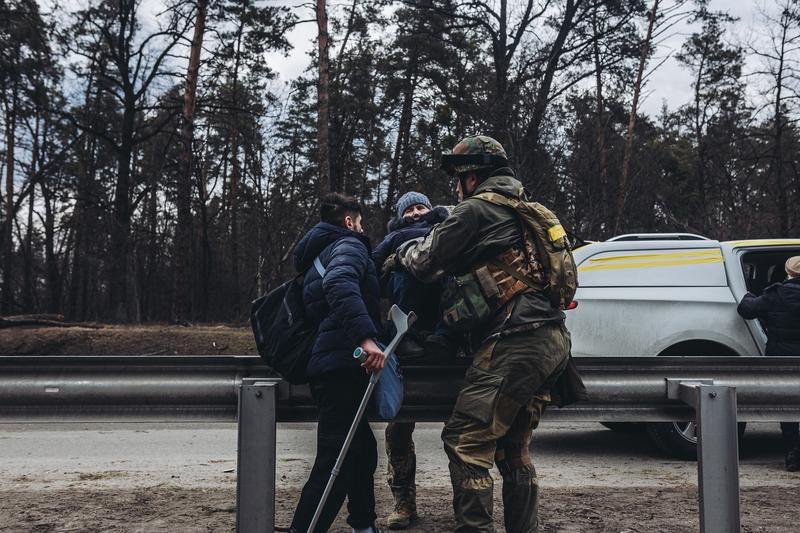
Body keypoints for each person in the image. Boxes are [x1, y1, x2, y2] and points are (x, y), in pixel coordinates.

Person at [393, 135, 572, 533]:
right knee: (514, 450)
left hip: (515, 340)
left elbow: (424, 262)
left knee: (465, 442)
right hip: (553, 339)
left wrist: (400, 251)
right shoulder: (529, 209)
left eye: (457, 179)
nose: (455, 189)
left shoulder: (474, 210)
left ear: (471, 176)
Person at [288, 193, 386, 533]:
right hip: (343, 365)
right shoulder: (350, 245)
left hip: (331, 364)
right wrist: (366, 338)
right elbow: (340, 284)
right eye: (360, 221)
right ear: (349, 221)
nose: (362, 227)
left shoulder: (319, 251)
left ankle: (363, 525)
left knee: (360, 450)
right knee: (337, 459)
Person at [372, 191, 456, 529]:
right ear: (400, 215)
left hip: (447, 343)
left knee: (462, 433)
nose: (417, 212)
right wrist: (392, 262)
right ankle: (404, 502)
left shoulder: (448, 229)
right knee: (398, 430)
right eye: (410, 209)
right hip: (405, 344)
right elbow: (372, 271)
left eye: (422, 205)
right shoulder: (392, 240)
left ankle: (467, 501)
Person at [737, 256, 800, 472]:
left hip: (780, 356)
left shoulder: (775, 294)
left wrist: (747, 294)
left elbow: (746, 310)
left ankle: (793, 453)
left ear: (788, 272)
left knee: (787, 403)